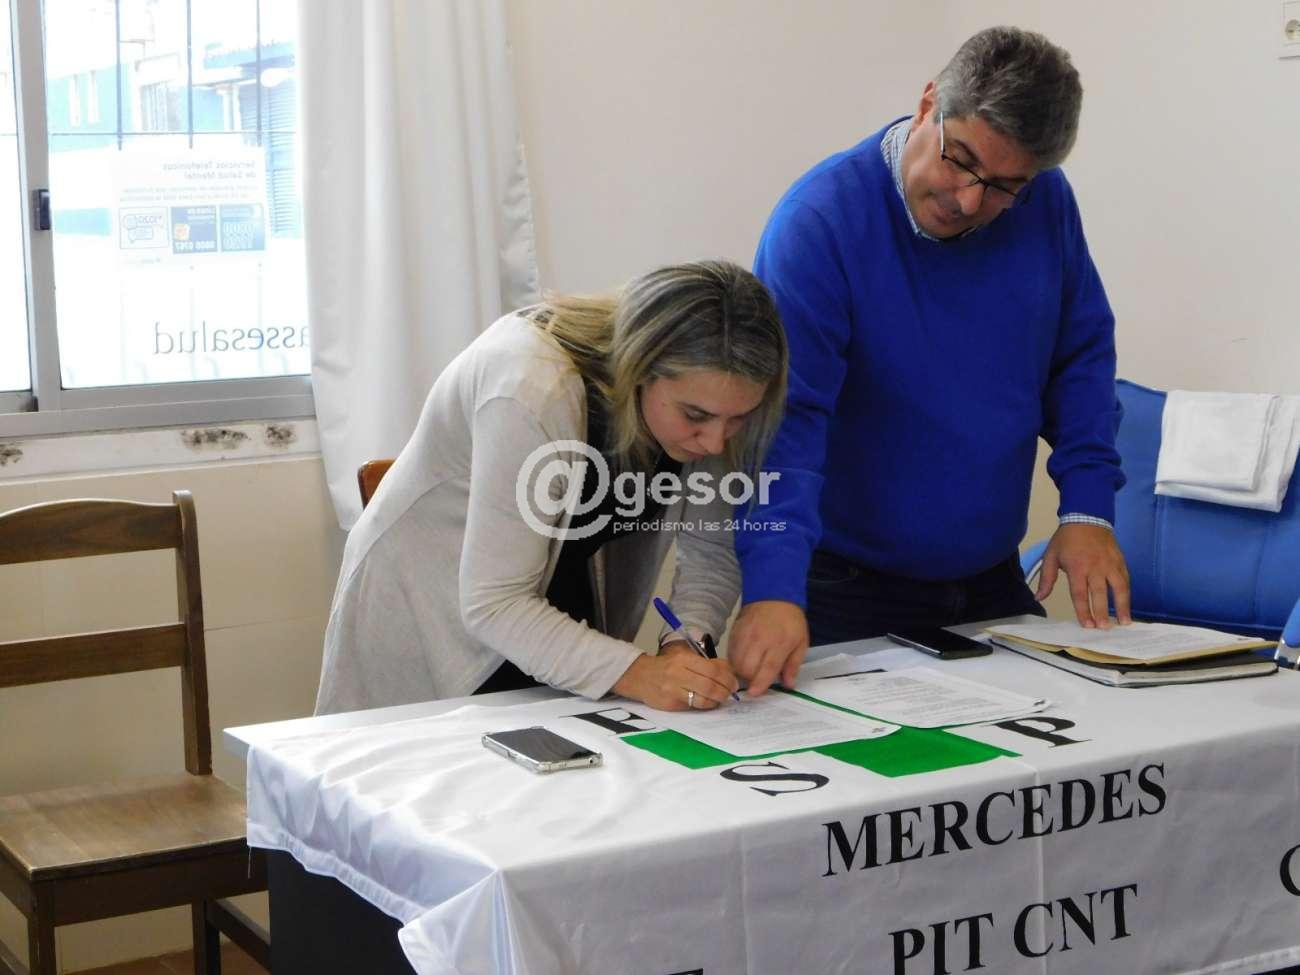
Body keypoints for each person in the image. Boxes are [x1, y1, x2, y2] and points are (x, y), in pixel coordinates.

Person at [730, 26, 1131, 697]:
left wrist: (1088, 510)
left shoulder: (1046, 201)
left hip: (990, 579)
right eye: (960, 160)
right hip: (842, 588)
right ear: (927, 106)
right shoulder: (819, 224)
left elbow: (1081, 358)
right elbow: (784, 426)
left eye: (1003, 186)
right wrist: (772, 586)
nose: (970, 200)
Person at [315, 260, 788, 715]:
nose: (715, 442)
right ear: (638, 367)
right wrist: (640, 673)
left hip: (544, 605)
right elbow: (495, 602)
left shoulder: (709, 401)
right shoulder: (530, 386)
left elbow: (710, 548)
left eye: (737, 420)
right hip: (434, 603)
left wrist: (686, 642)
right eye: (695, 416)